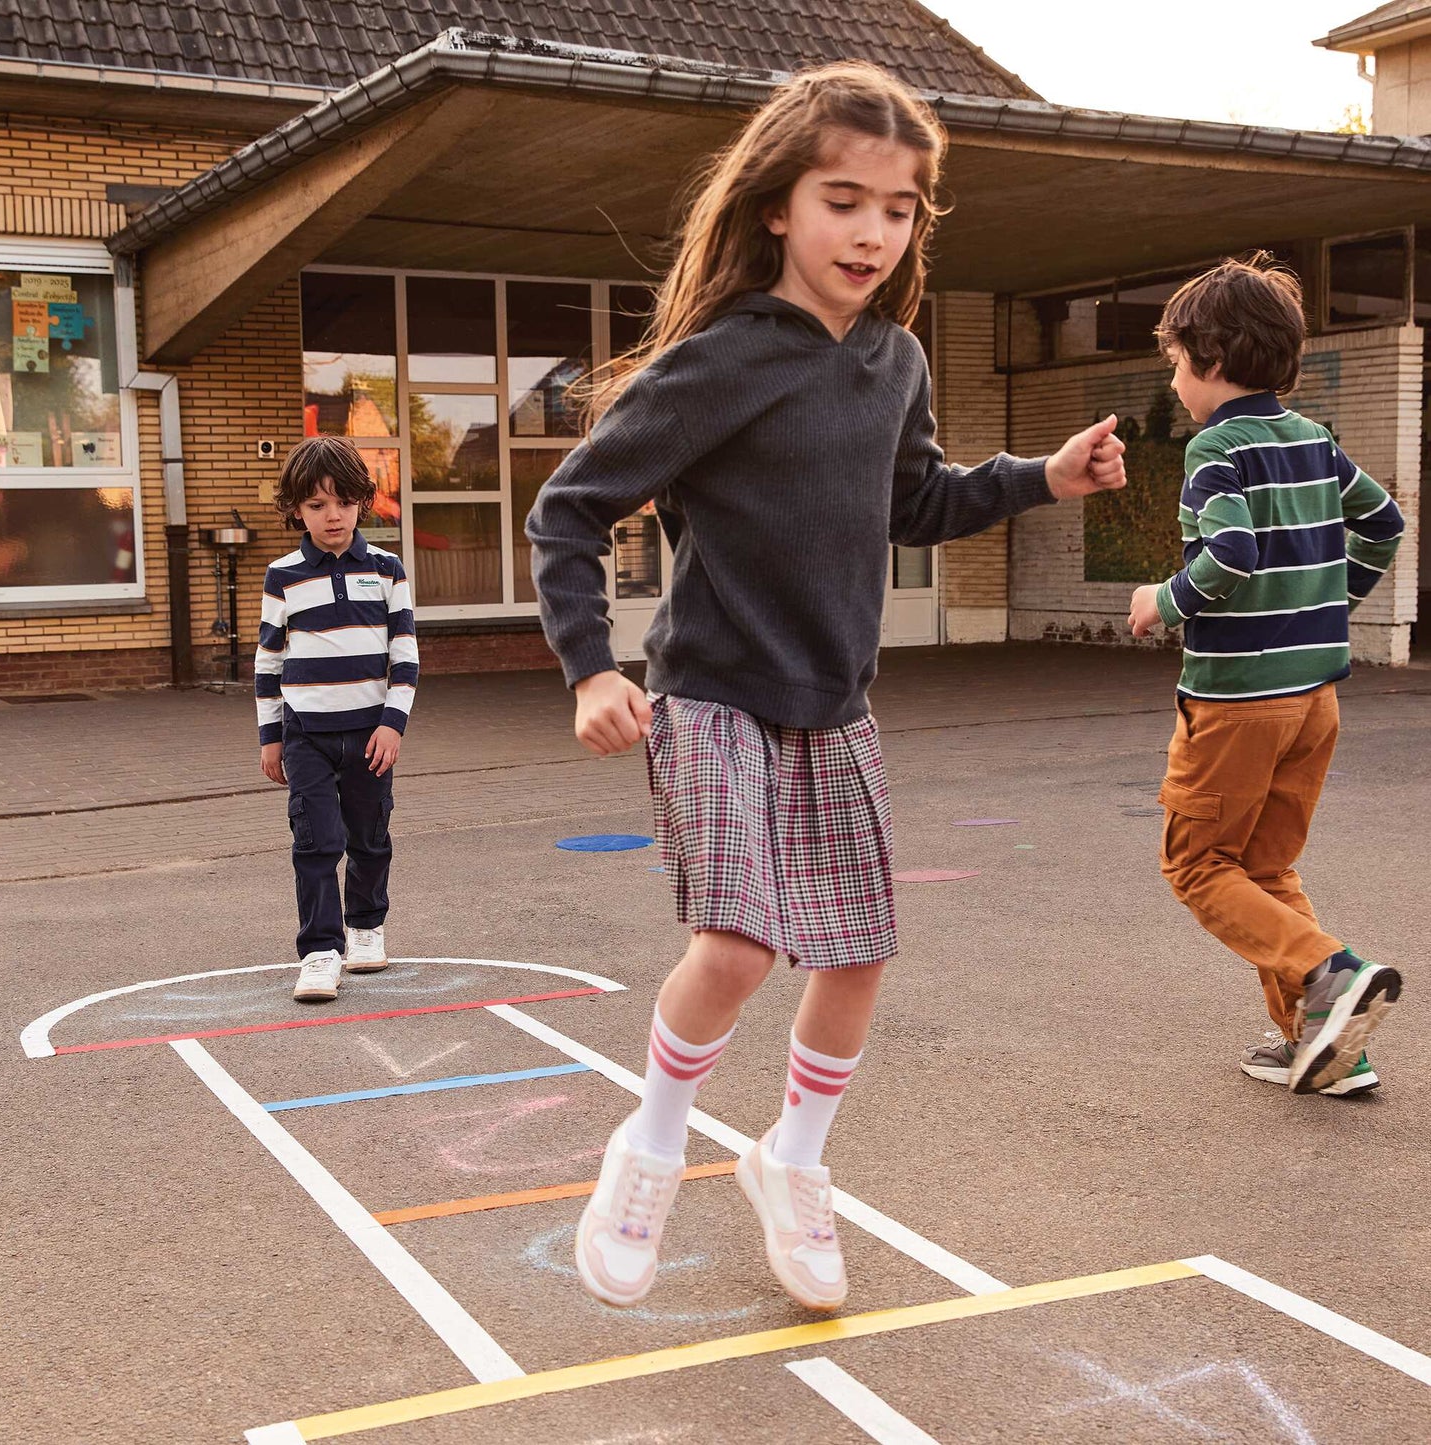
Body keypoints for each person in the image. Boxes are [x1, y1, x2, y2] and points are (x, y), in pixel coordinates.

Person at [526, 60, 1126, 1313]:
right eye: (841, 199)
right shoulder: (720, 360)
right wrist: (589, 667)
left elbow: (916, 500)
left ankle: (788, 1160)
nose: (869, 231)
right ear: (775, 210)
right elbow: (569, 508)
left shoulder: (896, 360)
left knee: (854, 953)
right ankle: (645, 1147)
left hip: (833, 703)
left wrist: (1043, 478)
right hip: (711, 693)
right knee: (739, 942)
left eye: (896, 208)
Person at [1127, 253, 1404, 1097]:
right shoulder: (1314, 441)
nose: (1173, 381)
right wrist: (1330, 606)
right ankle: (1325, 1048)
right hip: (1312, 699)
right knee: (1266, 870)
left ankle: (1330, 969)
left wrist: (1158, 602)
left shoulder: (1217, 449)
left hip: (1236, 703)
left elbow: (1230, 556)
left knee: (1198, 866)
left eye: (1175, 362)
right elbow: (1384, 525)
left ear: (1209, 361)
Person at [254, 436, 418, 1003]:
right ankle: (320, 953)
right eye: (318, 504)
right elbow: (268, 661)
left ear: (361, 504)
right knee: (316, 842)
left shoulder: (387, 569)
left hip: (371, 735)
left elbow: (405, 654)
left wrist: (393, 724)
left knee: (370, 838)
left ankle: (366, 929)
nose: (332, 515)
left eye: (344, 503)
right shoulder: (284, 575)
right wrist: (271, 738)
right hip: (306, 738)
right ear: (296, 509)